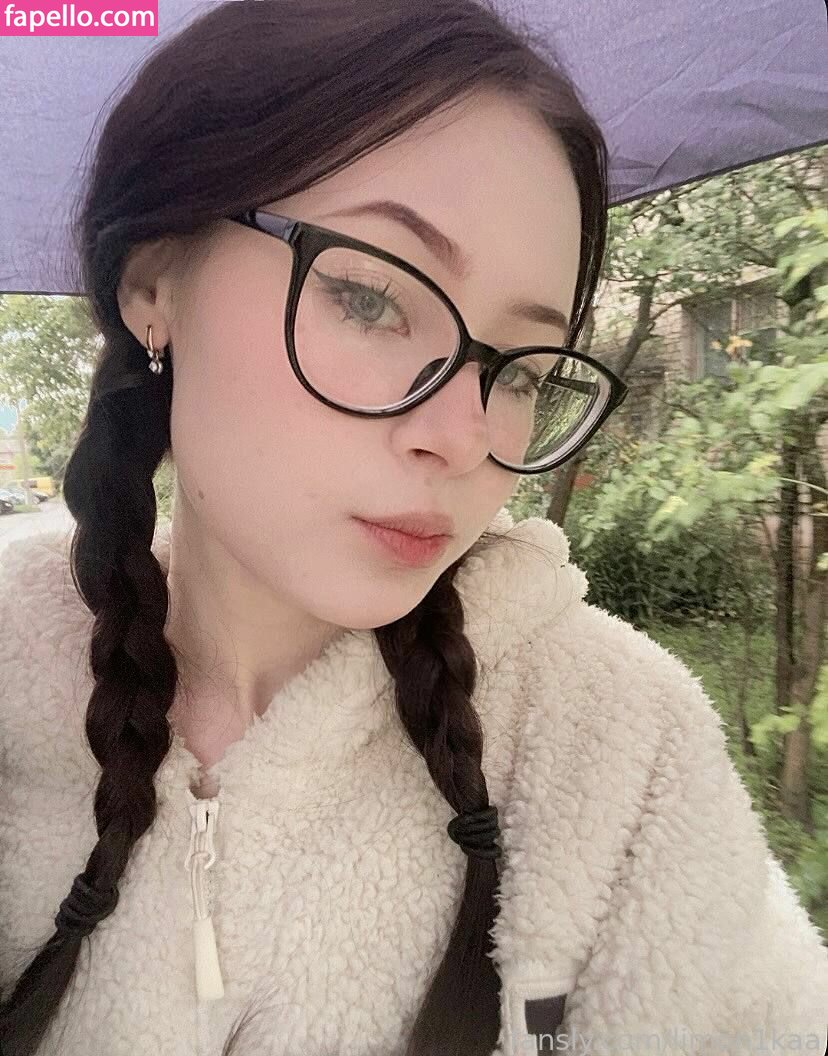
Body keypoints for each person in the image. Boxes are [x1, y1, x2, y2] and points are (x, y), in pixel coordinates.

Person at [0, 1, 825, 1054]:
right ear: (154, 283)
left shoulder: (615, 753)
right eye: (370, 298)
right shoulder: (14, 673)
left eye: (518, 369)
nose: (464, 436)